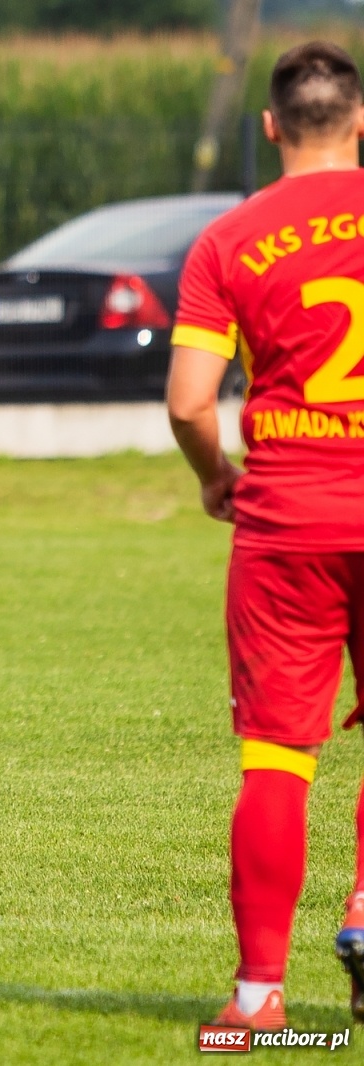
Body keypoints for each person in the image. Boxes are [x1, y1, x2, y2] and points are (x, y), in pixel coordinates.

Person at [167, 40, 364, 1029]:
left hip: (284, 521)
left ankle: (255, 1002)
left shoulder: (228, 241)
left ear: (272, 126)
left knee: (278, 761)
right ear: (361, 122)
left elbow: (190, 399)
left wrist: (215, 479)